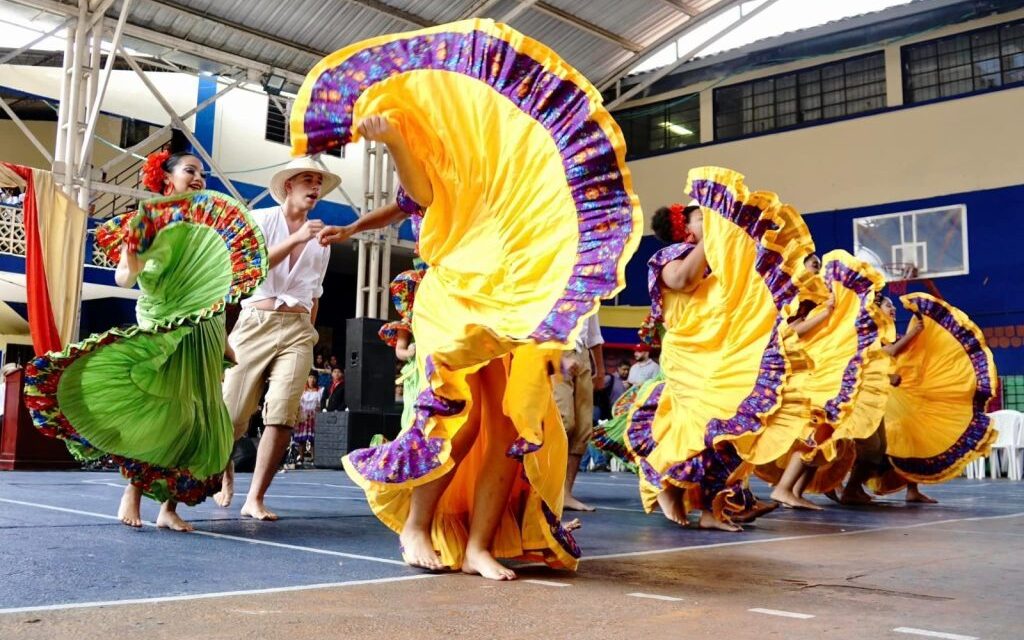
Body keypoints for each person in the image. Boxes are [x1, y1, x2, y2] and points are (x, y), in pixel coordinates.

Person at [294, 19, 642, 580]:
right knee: (462, 417)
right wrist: (393, 145)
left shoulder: (497, 156)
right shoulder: (432, 149)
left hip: (507, 297)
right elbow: (421, 196)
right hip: (454, 293)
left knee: (508, 430)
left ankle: (481, 544)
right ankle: (417, 526)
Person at [24, 149, 266, 531]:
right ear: (167, 178)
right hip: (165, 322)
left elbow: (218, 289)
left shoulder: (210, 228)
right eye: (190, 170)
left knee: (195, 419)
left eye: (202, 173)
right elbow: (123, 278)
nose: (199, 178)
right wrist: (134, 251)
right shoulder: (148, 220)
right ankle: (132, 493)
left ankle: (168, 509)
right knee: (161, 415)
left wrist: (222, 340)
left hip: (203, 326)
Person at [629, 171, 817, 532]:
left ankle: (712, 510)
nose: (712, 220)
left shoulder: (720, 266)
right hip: (690, 356)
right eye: (703, 216)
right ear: (684, 226)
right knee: (695, 428)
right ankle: (665, 482)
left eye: (711, 215)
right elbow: (682, 280)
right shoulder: (669, 257)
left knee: (730, 431)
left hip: (720, 353)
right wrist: (710, 237)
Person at [214, 156, 341, 520]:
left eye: (319, 182)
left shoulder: (323, 240)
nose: (315, 187)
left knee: (283, 413)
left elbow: (314, 293)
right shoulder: (261, 220)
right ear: (289, 185)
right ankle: (225, 467)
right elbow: (250, 267)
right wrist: (298, 237)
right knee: (233, 413)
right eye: (307, 179)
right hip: (256, 321)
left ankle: (255, 497)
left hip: (299, 329)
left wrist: (310, 333)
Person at [553, 314, 606, 511]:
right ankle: (546, 491)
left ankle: (566, 494)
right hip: (555, 351)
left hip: (582, 354)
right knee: (563, 422)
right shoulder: (549, 284)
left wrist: (600, 370)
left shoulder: (589, 287)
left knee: (583, 429)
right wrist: (556, 358)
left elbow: (594, 335)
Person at [293, 373, 322, 467]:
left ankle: (314, 458)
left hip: (314, 416)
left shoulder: (319, 391)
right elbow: (298, 404)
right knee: (302, 439)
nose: (312, 380)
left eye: (314, 378)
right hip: (303, 416)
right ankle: (301, 457)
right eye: (310, 377)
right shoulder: (302, 391)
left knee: (313, 439)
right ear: (307, 379)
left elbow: (319, 405)